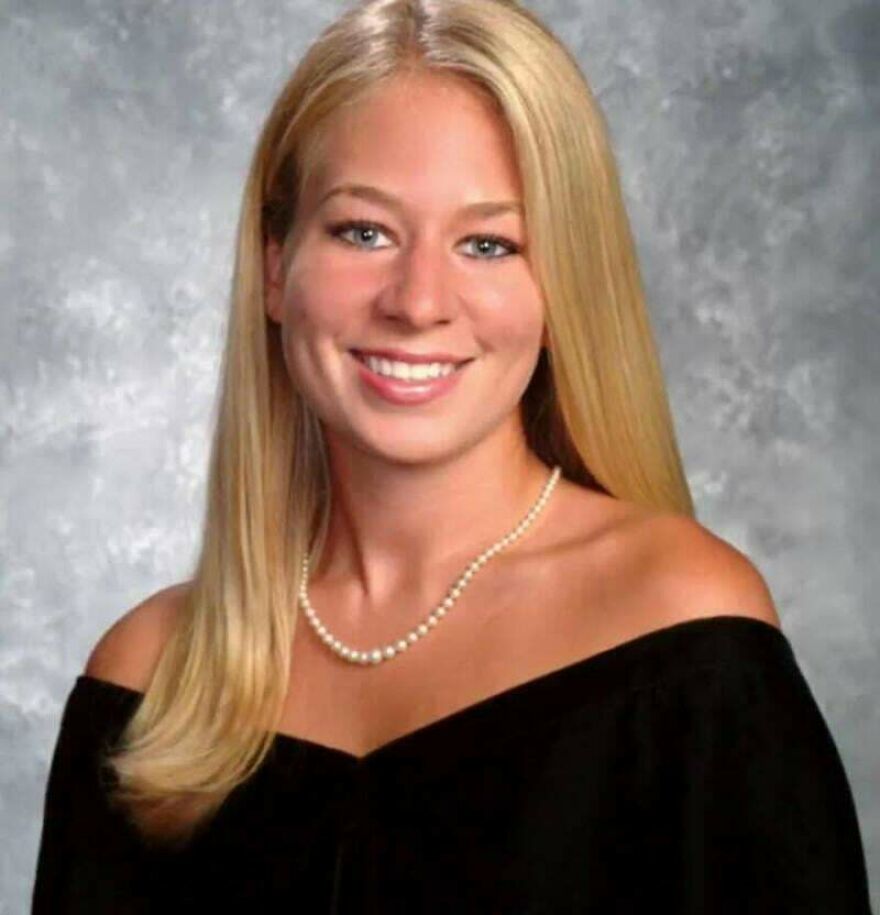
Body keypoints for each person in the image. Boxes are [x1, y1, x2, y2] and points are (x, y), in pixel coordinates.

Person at [32, 0, 872, 911]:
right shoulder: (148, 675)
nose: (419, 300)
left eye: (488, 243)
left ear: (563, 287)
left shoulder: (686, 634)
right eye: (364, 231)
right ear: (276, 268)